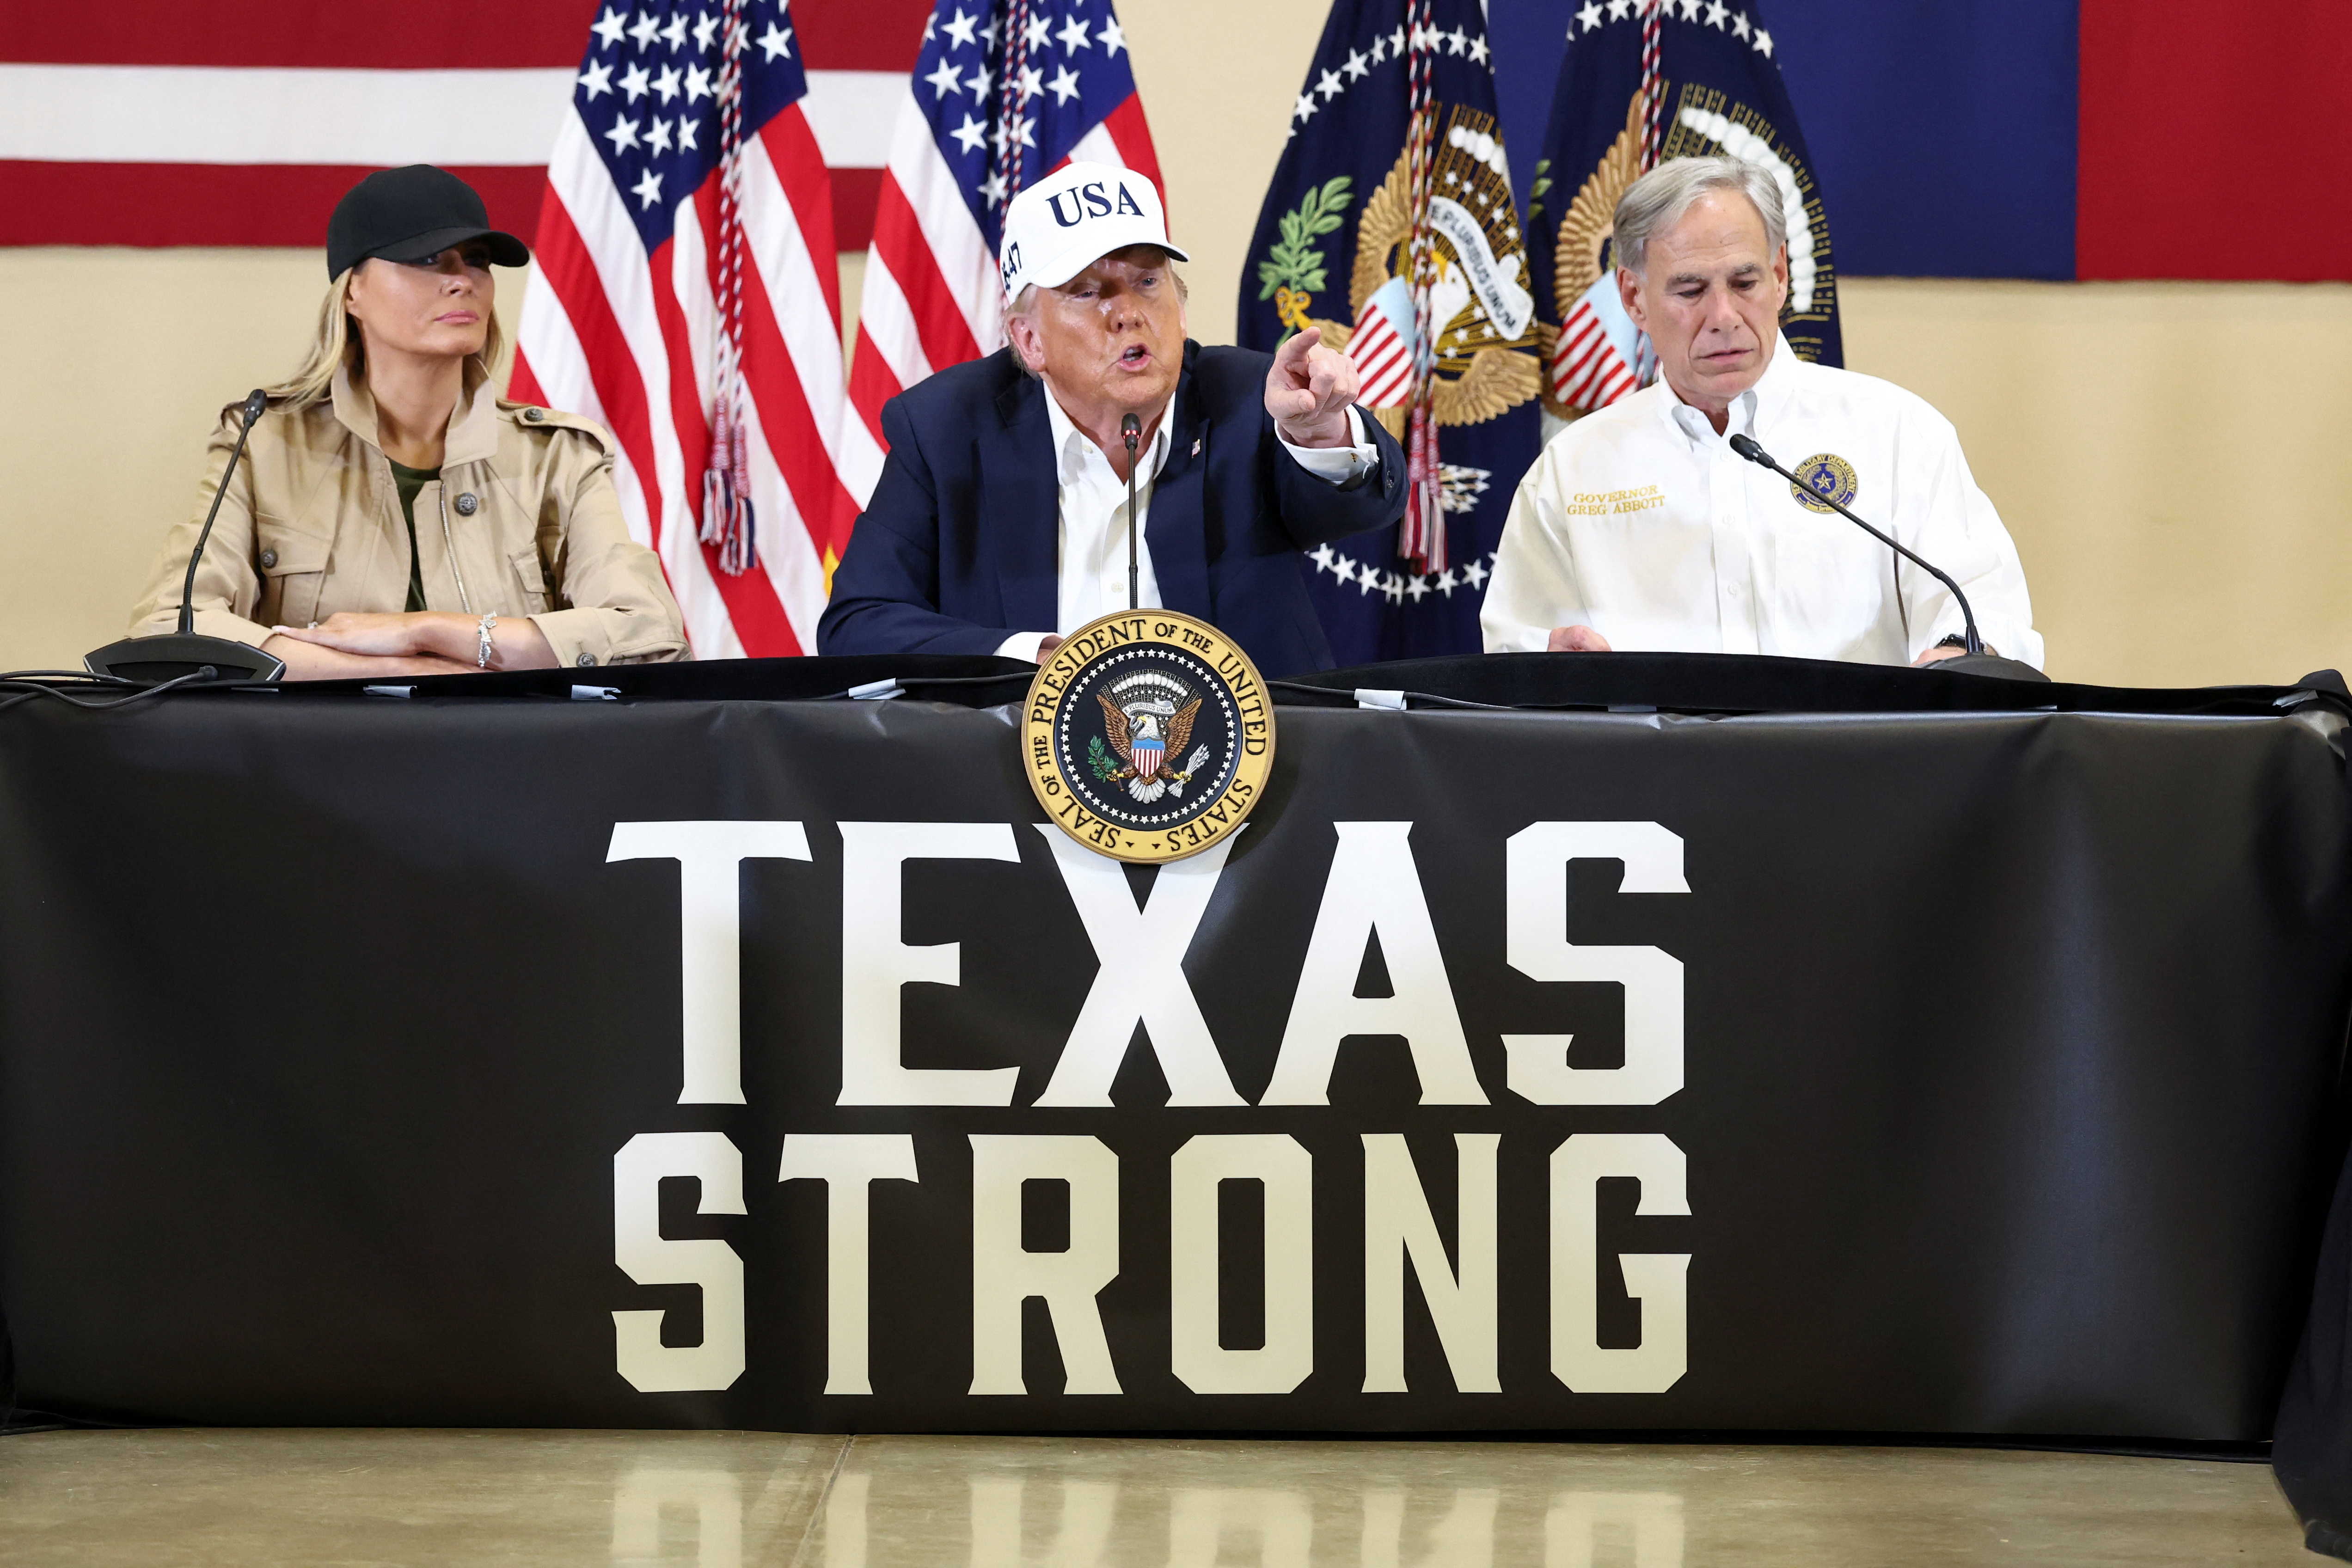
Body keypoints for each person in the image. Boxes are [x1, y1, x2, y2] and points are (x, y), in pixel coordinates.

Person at [817, 161, 1407, 677]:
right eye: (1088, 291)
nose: (1127, 313)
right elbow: (858, 626)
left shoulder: (1249, 398)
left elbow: (1363, 506)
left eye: (1148, 282)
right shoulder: (945, 429)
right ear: (1029, 341)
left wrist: (1318, 431)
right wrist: (1040, 660)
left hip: (1253, 774)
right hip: (1018, 775)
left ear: (1180, 309)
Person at [125, 165, 687, 679]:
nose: (462, 279)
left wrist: (426, 630)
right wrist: (420, 672)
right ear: (353, 292)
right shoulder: (264, 443)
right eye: (426, 259)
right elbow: (171, 628)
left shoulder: (559, 456)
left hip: (511, 769)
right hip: (315, 771)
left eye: (477, 260)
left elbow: (650, 636)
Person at [1482, 156, 2041, 668]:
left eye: (1744, 281)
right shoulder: (1573, 468)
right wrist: (1546, 661)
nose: (1724, 315)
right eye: (1691, 289)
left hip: (1857, 766)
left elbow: (1982, 606)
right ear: (1633, 298)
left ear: (1780, 275)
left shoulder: (1896, 433)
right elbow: (1515, 645)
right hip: (1653, 774)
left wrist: (1958, 655)